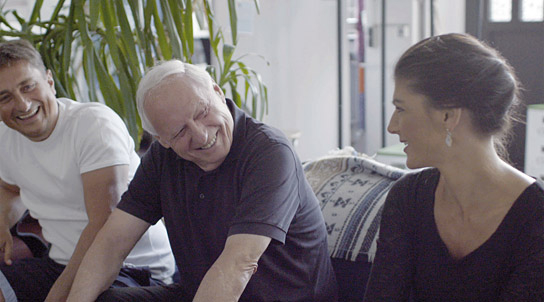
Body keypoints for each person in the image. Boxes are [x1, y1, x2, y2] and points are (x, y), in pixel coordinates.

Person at [66, 60, 338, 301]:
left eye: (202, 112)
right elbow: (111, 244)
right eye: (180, 130)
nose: (200, 134)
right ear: (163, 140)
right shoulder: (162, 158)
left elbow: (238, 264)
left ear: (218, 93)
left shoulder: (269, 152)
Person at [363, 33, 544, 301]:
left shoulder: (535, 216)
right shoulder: (407, 198)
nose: (392, 126)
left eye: (401, 109)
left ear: (448, 116)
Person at [0, 39, 176, 302]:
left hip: (130, 266)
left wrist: (58, 296)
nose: (23, 105)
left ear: (49, 80)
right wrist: (2, 221)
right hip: (62, 262)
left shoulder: (93, 125)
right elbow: (9, 187)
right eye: (6, 97)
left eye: (28, 86)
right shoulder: (6, 138)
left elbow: (102, 227)